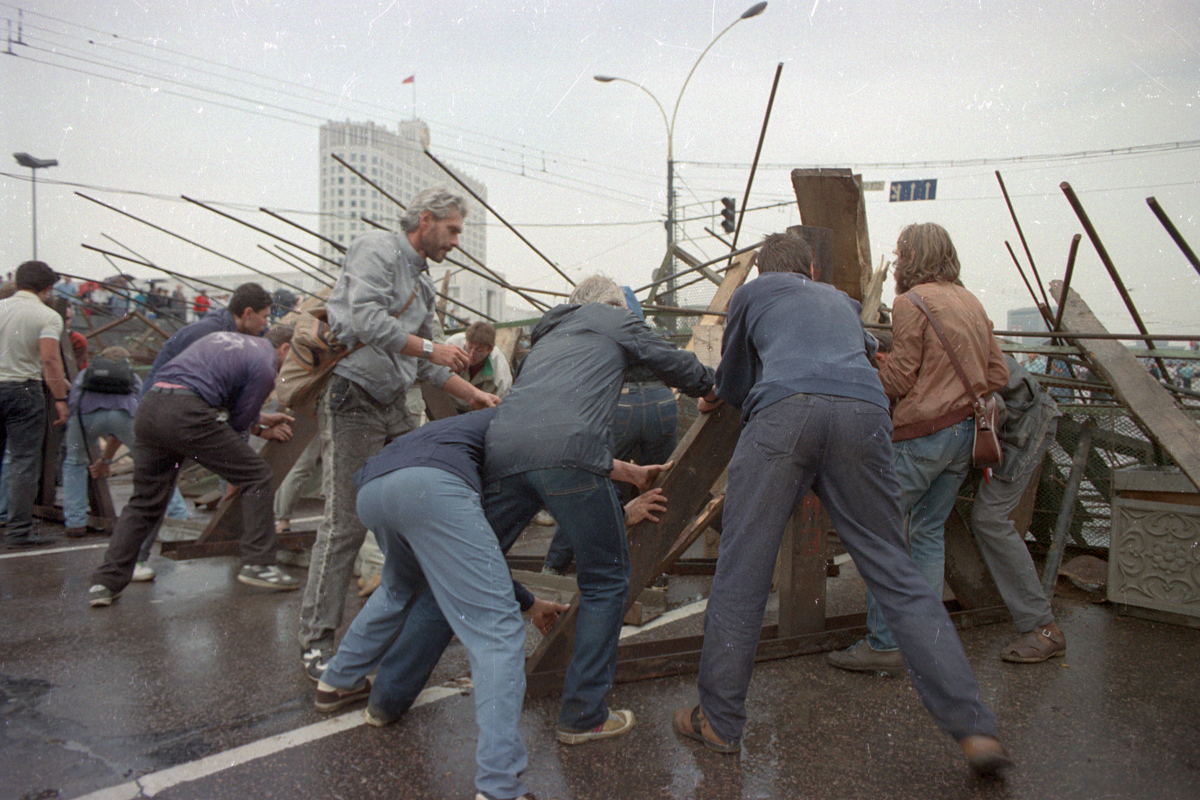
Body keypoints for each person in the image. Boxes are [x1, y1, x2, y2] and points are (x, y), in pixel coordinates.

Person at [673, 232, 1010, 775]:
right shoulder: (840, 301)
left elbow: (732, 384)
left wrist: (716, 391)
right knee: (895, 570)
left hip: (784, 415)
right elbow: (870, 354)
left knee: (743, 571)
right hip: (864, 415)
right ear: (812, 266)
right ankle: (974, 730)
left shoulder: (752, 297)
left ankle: (719, 721)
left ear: (764, 271)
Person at [482, 274, 715, 744]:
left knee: (471, 557)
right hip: (572, 455)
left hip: (503, 451)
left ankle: (388, 695)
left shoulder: (545, 338)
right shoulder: (611, 316)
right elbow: (670, 360)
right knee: (608, 578)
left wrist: (626, 474)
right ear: (612, 304)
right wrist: (710, 387)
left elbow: (547, 422)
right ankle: (583, 714)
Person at [313, 408, 565, 800]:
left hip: (374, 487)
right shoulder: (529, 420)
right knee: (496, 629)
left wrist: (530, 602)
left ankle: (336, 681)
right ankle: (500, 787)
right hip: (431, 486)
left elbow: (463, 569)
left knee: (398, 588)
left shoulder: (475, 420)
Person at [298, 186, 499, 676]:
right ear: (425, 221)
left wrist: (473, 395)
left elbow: (428, 361)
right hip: (354, 398)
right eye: (451, 230)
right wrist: (431, 352)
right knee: (345, 524)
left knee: (419, 509)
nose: (455, 242)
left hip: (395, 404)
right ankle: (316, 642)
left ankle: (404, 628)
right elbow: (365, 320)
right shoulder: (377, 250)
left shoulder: (424, 283)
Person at [828, 222, 1008, 676]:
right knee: (927, 535)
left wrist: (865, 371)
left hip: (922, 437)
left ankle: (886, 644)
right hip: (965, 437)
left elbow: (901, 379)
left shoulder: (912, 302)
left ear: (910, 258)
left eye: (901, 255)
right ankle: (924, 644)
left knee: (879, 537)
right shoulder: (970, 300)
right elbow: (998, 374)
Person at [87, 326, 301, 606]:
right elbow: (236, 424)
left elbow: (213, 394)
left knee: (145, 502)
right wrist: (234, 471)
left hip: (151, 408)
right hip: (186, 414)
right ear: (284, 348)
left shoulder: (226, 340)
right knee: (257, 475)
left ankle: (105, 583)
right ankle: (259, 563)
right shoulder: (266, 364)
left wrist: (260, 425)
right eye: (293, 355)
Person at [970, 354, 1067, 662]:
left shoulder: (936, 335)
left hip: (1023, 425)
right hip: (1009, 421)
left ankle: (1043, 628)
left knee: (990, 519)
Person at [0, 262, 70, 548]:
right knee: (23, 462)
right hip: (23, 388)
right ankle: (18, 531)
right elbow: (49, 360)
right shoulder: (47, 316)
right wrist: (60, 399)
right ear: (47, 288)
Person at [143, 283, 274, 394]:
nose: (266, 323)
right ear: (248, 313)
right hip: (162, 396)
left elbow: (269, 338)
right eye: (265, 317)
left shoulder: (241, 327)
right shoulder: (208, 334)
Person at [445, 321, 513, 412]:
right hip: (449, 404)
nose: (472, 354)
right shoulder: (451, 344)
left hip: (478, 412)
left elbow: (502, 402)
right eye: (469, 347)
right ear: (466, 341)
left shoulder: (500, 369)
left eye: (479, 350)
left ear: (490, 349)